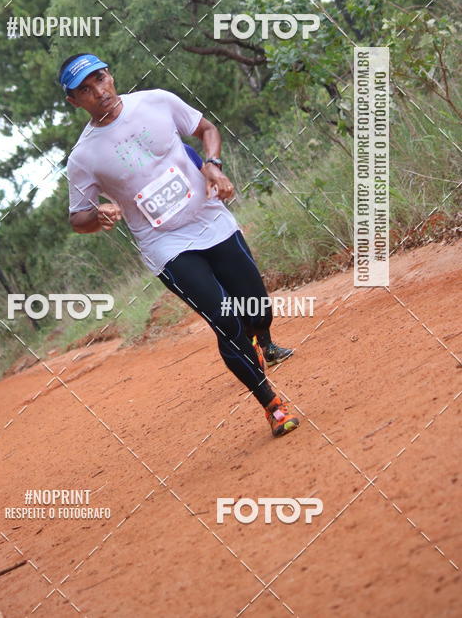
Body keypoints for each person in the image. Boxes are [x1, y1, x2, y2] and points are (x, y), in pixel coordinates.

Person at [61, 53, 299, 438]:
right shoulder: (83, 157)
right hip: (165, 244)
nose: (98, 92)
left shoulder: (156, 100)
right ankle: (271, 404)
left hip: (211, 219)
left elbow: (206, 129)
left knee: (256, 307)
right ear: (74, 102)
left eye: (100, 79)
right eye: (85, 90)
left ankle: (262, 341)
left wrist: (214, 164)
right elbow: (77, 218)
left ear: (111, 75)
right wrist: (97, 216)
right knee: (225, 322)